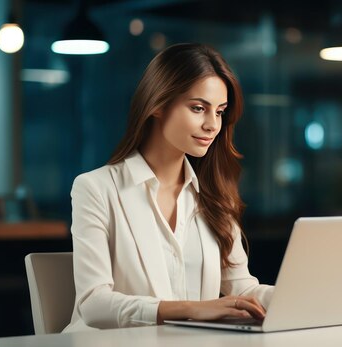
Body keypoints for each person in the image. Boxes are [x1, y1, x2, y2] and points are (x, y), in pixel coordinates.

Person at [63, 43, 273, 332]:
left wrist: (299, 298)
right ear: (158, 104)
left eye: (220, 111)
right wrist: (194, 311)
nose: (213, 124)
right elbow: (94, 304)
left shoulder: (213, 195)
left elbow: (241, 287)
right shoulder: (96, 188)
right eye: (198, 108)